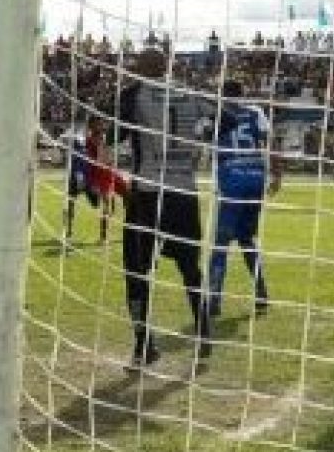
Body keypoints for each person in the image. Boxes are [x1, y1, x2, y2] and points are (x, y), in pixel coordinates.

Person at [115, 49, 214, 372]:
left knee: (137, 269)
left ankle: (144, 345)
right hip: (185, 192)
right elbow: (220, 116)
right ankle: (203, 330)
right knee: (190, 267)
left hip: (148, 193)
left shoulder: (133, 95)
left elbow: (119, 134)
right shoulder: (189, 94)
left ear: (142, 69)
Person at [209, 81, 280, 318]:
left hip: (233, 177)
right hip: (256, 177)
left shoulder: (217, 112)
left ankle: (214, 299)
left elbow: (202, 139)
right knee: (246, 238)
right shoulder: (256, 111)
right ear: (243, 94)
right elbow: (270, 142)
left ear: (223, 95)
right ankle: (261, 292)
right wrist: (277, 174)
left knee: (221, 241)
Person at [84, 116, 124, 245]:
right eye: (98, 124)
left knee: (127, 198)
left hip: (112, 171)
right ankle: (103, 237)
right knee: (107, 205)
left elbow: (111, 153)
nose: (101, 125)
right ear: (92, 126)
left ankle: (131, 230)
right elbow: (94, 160)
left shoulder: (106, 136)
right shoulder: (91, 140)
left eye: (102, 123)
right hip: (101, 174)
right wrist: (93, 182)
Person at [63, 127, 99, 241]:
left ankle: (68, 231)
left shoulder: (79, 151)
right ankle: (68, 231)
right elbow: (78, 167)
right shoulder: (79, 151)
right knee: (71, 206)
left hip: (79, 181)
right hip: (79, 181)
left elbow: (80, 167)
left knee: (71, 205)